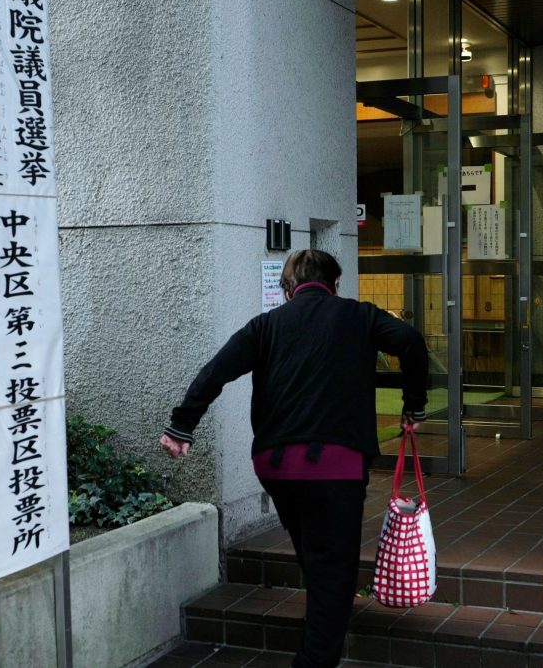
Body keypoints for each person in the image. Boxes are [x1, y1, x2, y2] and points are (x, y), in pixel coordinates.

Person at [160, 248, 429, 668]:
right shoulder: (359, 315)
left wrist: (182, 426)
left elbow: (217, 370)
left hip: (276, 465)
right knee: (333, 566)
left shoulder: (266, 325)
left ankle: (326, 612)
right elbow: (410, 341)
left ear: (288, 290)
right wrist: (414, 404)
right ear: (335, 283)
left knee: (315, 549)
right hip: (337, 464)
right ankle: (315, 657)